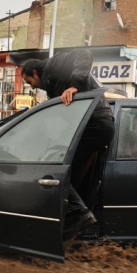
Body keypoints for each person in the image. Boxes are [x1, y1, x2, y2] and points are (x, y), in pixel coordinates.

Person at [21, 48, 115, 237]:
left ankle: (79, 214)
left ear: (35, 73)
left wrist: (74, 85)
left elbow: (85, 54)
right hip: (93, 125)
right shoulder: (51, 85)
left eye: (29, 82)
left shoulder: (54, 64)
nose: (31, 87)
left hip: (96, 124)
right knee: (64, 166)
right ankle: (73, 213)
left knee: (56, 167)